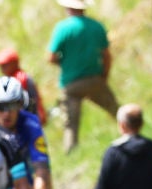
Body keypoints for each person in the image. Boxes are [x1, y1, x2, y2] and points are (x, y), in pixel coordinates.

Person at [47, 0, 120, 154]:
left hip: (70, 84)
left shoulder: (62, 28)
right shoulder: (96, 26)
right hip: (94, 79)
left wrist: (65, 64)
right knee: (115, 110)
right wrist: (104, 77)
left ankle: (71, 154)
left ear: (68, 7)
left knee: (71, 125)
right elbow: (106, 56)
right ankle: (133, 133)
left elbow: (51, 57)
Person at [0, 47, 47, 124]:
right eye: (1, 65)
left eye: (4, 65)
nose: (2, 68)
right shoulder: (7, 81)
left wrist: (39, 115)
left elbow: (34, 101)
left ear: (14, 64)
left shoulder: (21, 79)